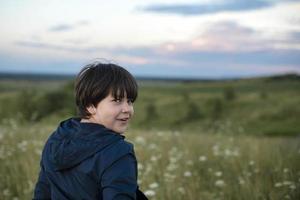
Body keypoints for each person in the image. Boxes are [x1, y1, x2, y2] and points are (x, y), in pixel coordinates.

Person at [33, 62, 148, 200]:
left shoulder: (57, 139)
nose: (127, 109)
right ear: (90, 106)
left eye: (129, 101)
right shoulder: (118, 152)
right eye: (117, 100)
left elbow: (41, 194)